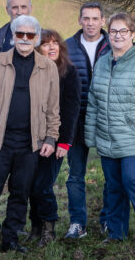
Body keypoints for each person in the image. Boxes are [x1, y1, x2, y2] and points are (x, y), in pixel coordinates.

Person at [0, 15, 60, 256]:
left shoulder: (47, 67)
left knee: (20, 194)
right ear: (13, 35)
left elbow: (53, 108)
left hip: (30, 143)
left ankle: (10, 239)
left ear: (37, 38)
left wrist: (51, 138)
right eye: (20, 34)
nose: (24, 39)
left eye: (30, 35)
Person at [84, 13, 135, 243]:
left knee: (134, 180)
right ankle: (116, 233)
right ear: (108, 34)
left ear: (132, 33)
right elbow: (93, 101)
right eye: (113, 31)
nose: (118, 35)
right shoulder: (102, 63)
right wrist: (91, 136)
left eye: (123, 31)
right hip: (109, 140)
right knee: (114, 186)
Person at [62, 2, 110, 238]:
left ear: (103, 21)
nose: (90, 23)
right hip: (76, 119)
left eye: (95, 18)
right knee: (75, 173)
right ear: (80, 20)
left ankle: (108, 219)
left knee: (111, 173)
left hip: (107, 118)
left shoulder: (115, 44)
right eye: (86, 18)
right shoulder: (67, 47)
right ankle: (77, 222)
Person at [28, 30, 80, 246]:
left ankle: (49, 226)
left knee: (43, 185)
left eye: (55, 43)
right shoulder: (32, 70)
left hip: (56, 140)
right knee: (30, 184)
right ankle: (36, 226)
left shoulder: (69, 72)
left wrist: (64, 142)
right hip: (31, 138)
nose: (51, 47)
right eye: (45, 44)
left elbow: (71, 109)